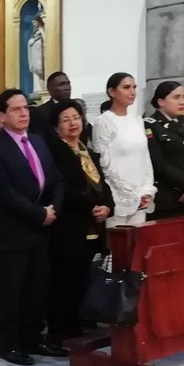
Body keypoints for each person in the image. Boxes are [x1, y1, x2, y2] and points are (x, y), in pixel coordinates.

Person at [0, 88, 66, 366]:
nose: (23, 113)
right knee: (12, 290)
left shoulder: (39, 142)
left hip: (42, 229)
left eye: (26, 108)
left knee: (37, 287)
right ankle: (9, 343)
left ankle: (33, 338)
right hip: (14, 231)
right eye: (16, 109)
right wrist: (38, 213)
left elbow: (56, 180)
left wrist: (53, 208)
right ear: (2, 116)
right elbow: (4, 193)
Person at [47, 99, 113, 344]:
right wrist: (91, 206)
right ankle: (60, 330)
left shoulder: (88, 151)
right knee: (65, 279)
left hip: (94, 224)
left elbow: (103, 186)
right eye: (65, 120)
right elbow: (64, 188)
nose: (72, 123)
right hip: (69, 226)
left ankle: (79, 323)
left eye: (75, 117)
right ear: (56, 128)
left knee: (84, 277)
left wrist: (108, 206)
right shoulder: (56, 151)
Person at [90, 72, 155, 227]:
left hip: (141, 196)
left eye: (134, 87)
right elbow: (105, 165)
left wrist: (146, 190)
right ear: (112, 92)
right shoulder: (103, 122)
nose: (132, 92)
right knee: (117, 246)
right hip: (116, 197)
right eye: (126, 87)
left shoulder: (137, 120)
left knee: (138, 246)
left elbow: (145, 159)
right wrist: (129, 195)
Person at [145, 81, 184, 219]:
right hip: (168, 198)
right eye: (176, 97)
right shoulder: (151, 125)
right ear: (161, 101)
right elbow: (159, 164)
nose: (182, 102)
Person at [30, 71, 84, 137]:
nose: (67, 88)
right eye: (62, 84)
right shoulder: (40, 113)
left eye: (68, 84)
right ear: (50, 89)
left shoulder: (76, 108)